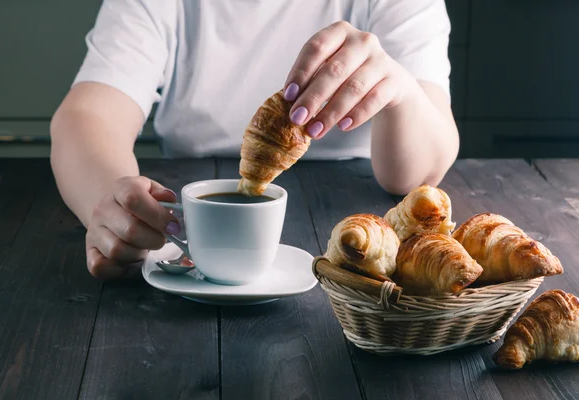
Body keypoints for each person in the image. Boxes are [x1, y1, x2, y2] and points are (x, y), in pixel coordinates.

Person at [50, 0, 459, 279]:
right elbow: (86, 117)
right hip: (191, 222)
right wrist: (114, 206)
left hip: (355, 259)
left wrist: (400, 92)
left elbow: (415, 175)